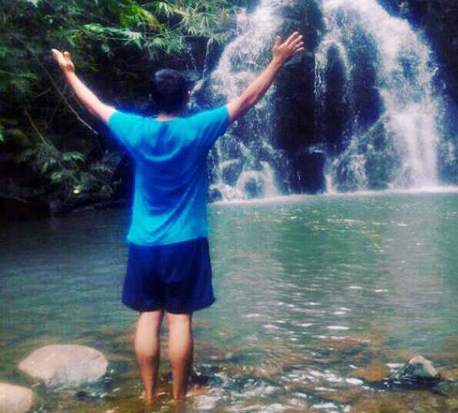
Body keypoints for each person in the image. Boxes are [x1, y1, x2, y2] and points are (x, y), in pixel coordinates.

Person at [51, 31, 304, 404]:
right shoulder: (197, 128)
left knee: (148, 317)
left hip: (143, 242)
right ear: (187, 98)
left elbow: (94, 105)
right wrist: (277, 61)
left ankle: (151, 395)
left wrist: (69, 72)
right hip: (186, 242)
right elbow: (249, 98)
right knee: (181, 318)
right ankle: (180, 399)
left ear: (150, 100)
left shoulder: (134, 129)